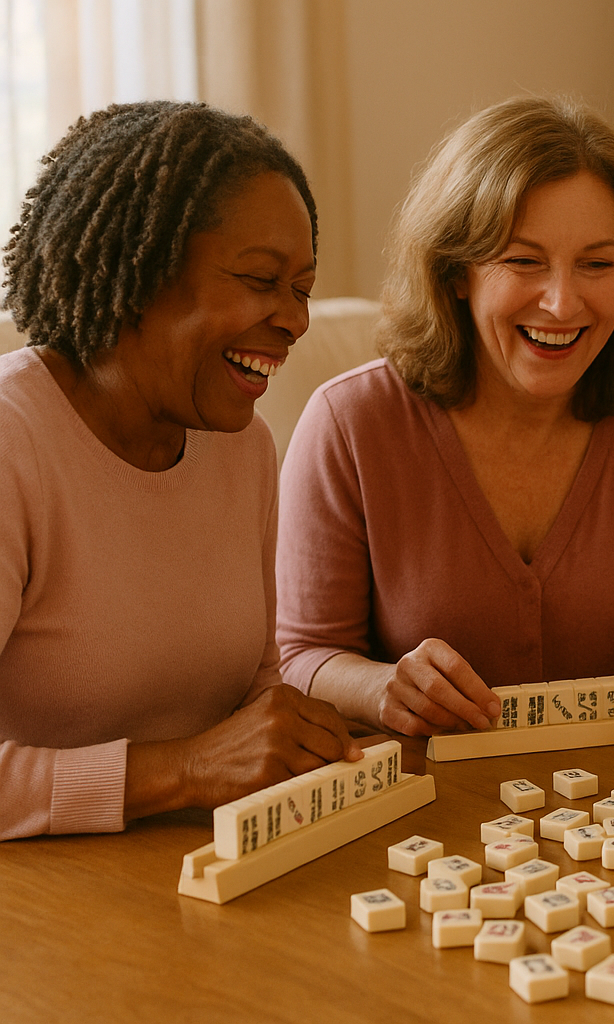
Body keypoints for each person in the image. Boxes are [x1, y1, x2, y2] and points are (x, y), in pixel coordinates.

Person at [276, 97, 614, 735]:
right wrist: (378, 686)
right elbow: (300, 657)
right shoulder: (348, 423)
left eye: (597, 264)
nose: (561, 301)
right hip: (429, 811)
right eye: (523, 261)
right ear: (457, 271)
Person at [0, 101, 362, 841]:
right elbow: (205, 760)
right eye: (262, 280)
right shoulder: (13, 445)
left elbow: (257, 686)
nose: (294, 320)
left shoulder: (245, 447)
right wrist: (182, 771)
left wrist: (318, 743)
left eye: (302, 288)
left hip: (205, 876)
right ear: (139, 266)